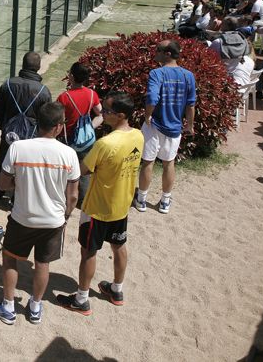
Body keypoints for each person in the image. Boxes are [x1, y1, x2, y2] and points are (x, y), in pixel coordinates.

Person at [0, 102, 80, 326]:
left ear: (38, 123)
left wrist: (20, 182)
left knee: (9, 259)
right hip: (53, 219)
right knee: (42, 263)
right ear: (57, 127)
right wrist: (65, 215)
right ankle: (35, 306)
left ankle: (7, 307)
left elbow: (2, 183)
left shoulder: (18, 148)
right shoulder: (69, 154)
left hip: (22, 217)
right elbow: (73, 196)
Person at [57, 91, 144, 315]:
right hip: (122, 206)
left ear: (121, 115)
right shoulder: (138, 136)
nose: (102, 113)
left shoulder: (104, 143)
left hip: (97, 208)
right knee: (119, 246)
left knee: (88, 252)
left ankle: (81, 299)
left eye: (107, 111)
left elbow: (83, 170)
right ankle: (116, 290)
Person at [135, 40, 196, 215]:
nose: (155, 52)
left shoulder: (157, 73)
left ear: (167, 53)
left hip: (155, 125)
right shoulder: (188, 75)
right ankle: (165, 201)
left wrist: (148, 115)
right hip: (175, 127)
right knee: (169, 163)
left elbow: (152, 97)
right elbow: (191, 104)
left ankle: (142, 199)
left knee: (148, 162)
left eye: (158, 50)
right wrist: (190, 125)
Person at [0, 52, 52, 198]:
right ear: (38, 67)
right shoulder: (43, 91)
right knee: (25, 166)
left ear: (23, 64)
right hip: (31, 136)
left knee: (4, 162)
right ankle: (18, 195)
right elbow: (45, 117)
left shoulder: (8, 84)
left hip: (9, 133)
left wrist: (4, 126)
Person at [56, 62, 103, 204]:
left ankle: (64, 195)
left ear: (71, 76)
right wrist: (90, 127)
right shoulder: (91, 94)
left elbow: (57, 118)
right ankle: (83, 199)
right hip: (86, 139)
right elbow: (101, 114)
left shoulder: (64, 97)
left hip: (68, 139)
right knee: (84, 170)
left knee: (65, 169)